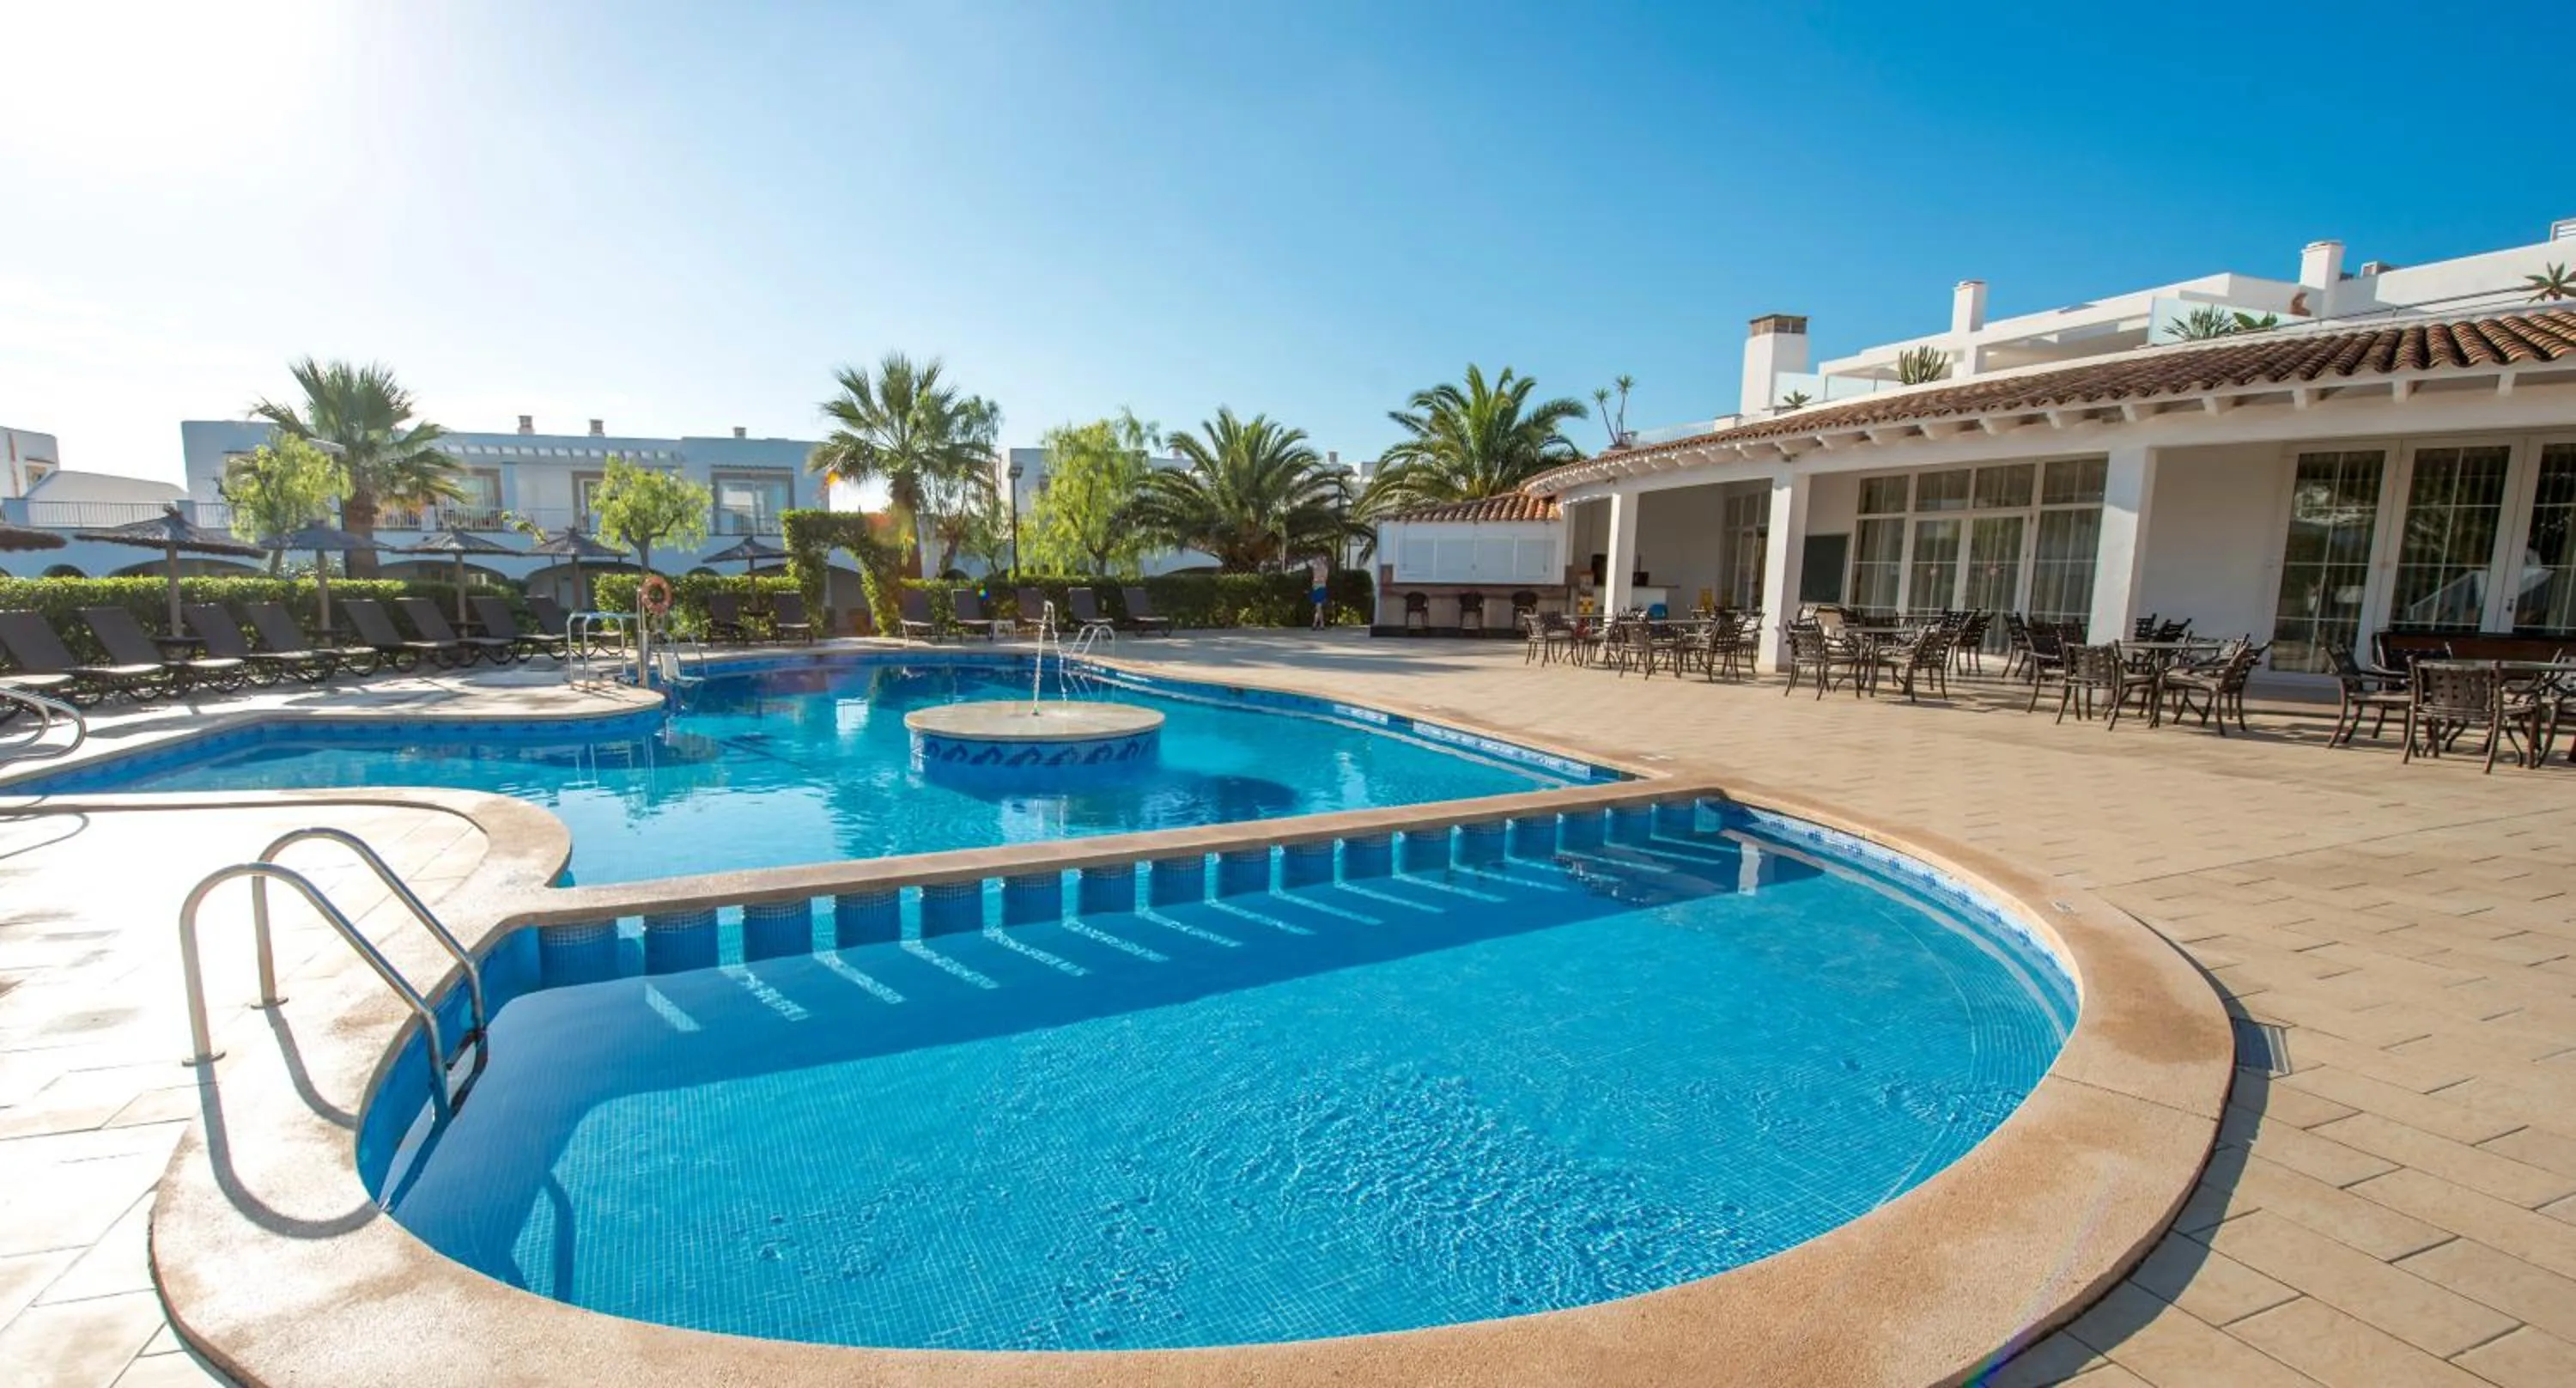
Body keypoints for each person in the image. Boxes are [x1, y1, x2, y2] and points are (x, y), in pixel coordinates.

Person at [1308, 553, 1331, 630]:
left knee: (1318, 606)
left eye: (1319, 559)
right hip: (1315, 588)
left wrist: (1318, 580)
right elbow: (1310, 563)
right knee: (1318, 607)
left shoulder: (1325, 569)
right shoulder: (1316, 568)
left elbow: (1324, 579)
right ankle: (1321, 624)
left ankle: (1315, 624)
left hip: (1321, 587)